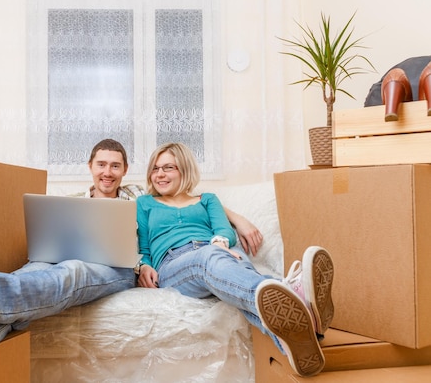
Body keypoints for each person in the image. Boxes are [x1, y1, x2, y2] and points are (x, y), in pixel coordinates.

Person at [0, 138, 263, 372]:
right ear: (90, 166)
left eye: (116, 165)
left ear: (125, 171)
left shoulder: (140, 196)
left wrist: (236, 218)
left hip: (117, 263)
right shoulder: (71, 202)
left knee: (73, 272)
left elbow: (188, 203)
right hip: (57, 257)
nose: (108, 172)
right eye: (101, 164)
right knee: (39, 269)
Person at [135, 142, 335, 377]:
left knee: (250, 281)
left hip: (218, 256)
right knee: (214, 261)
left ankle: (299, 343)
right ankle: (297, 295)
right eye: (155, 168)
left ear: (184, 169)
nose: (159, 174)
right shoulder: (144, 203)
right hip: (174, 265)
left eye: (168, 167)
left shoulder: (208, 199)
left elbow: (224, 230)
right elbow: (144, 245)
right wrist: (145, 265)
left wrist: (219, 243)